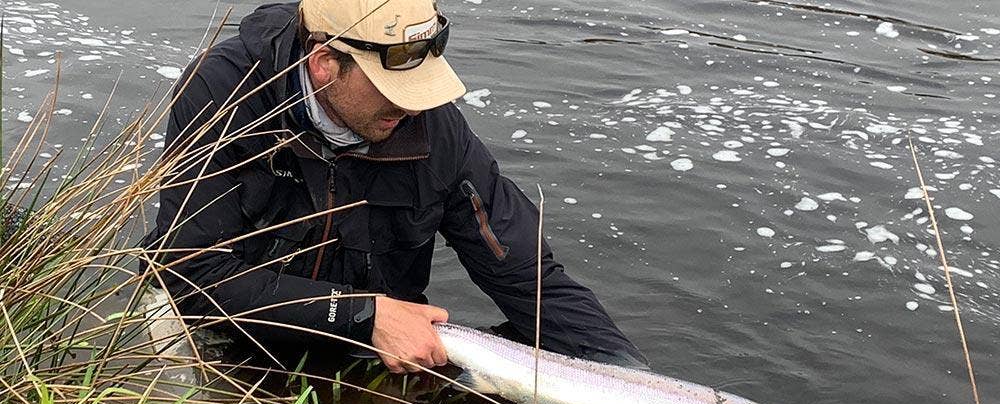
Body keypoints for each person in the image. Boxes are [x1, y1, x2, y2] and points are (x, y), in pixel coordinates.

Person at [144, 0, 647, 373]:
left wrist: (630, 376)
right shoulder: (227, 94)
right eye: (392, 90)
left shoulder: (437, 131)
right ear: (324, 63)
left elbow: (527, 278)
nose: (410, 108)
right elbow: (192, 273)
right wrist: (363, 314)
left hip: (375, 347)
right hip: (230, 326)